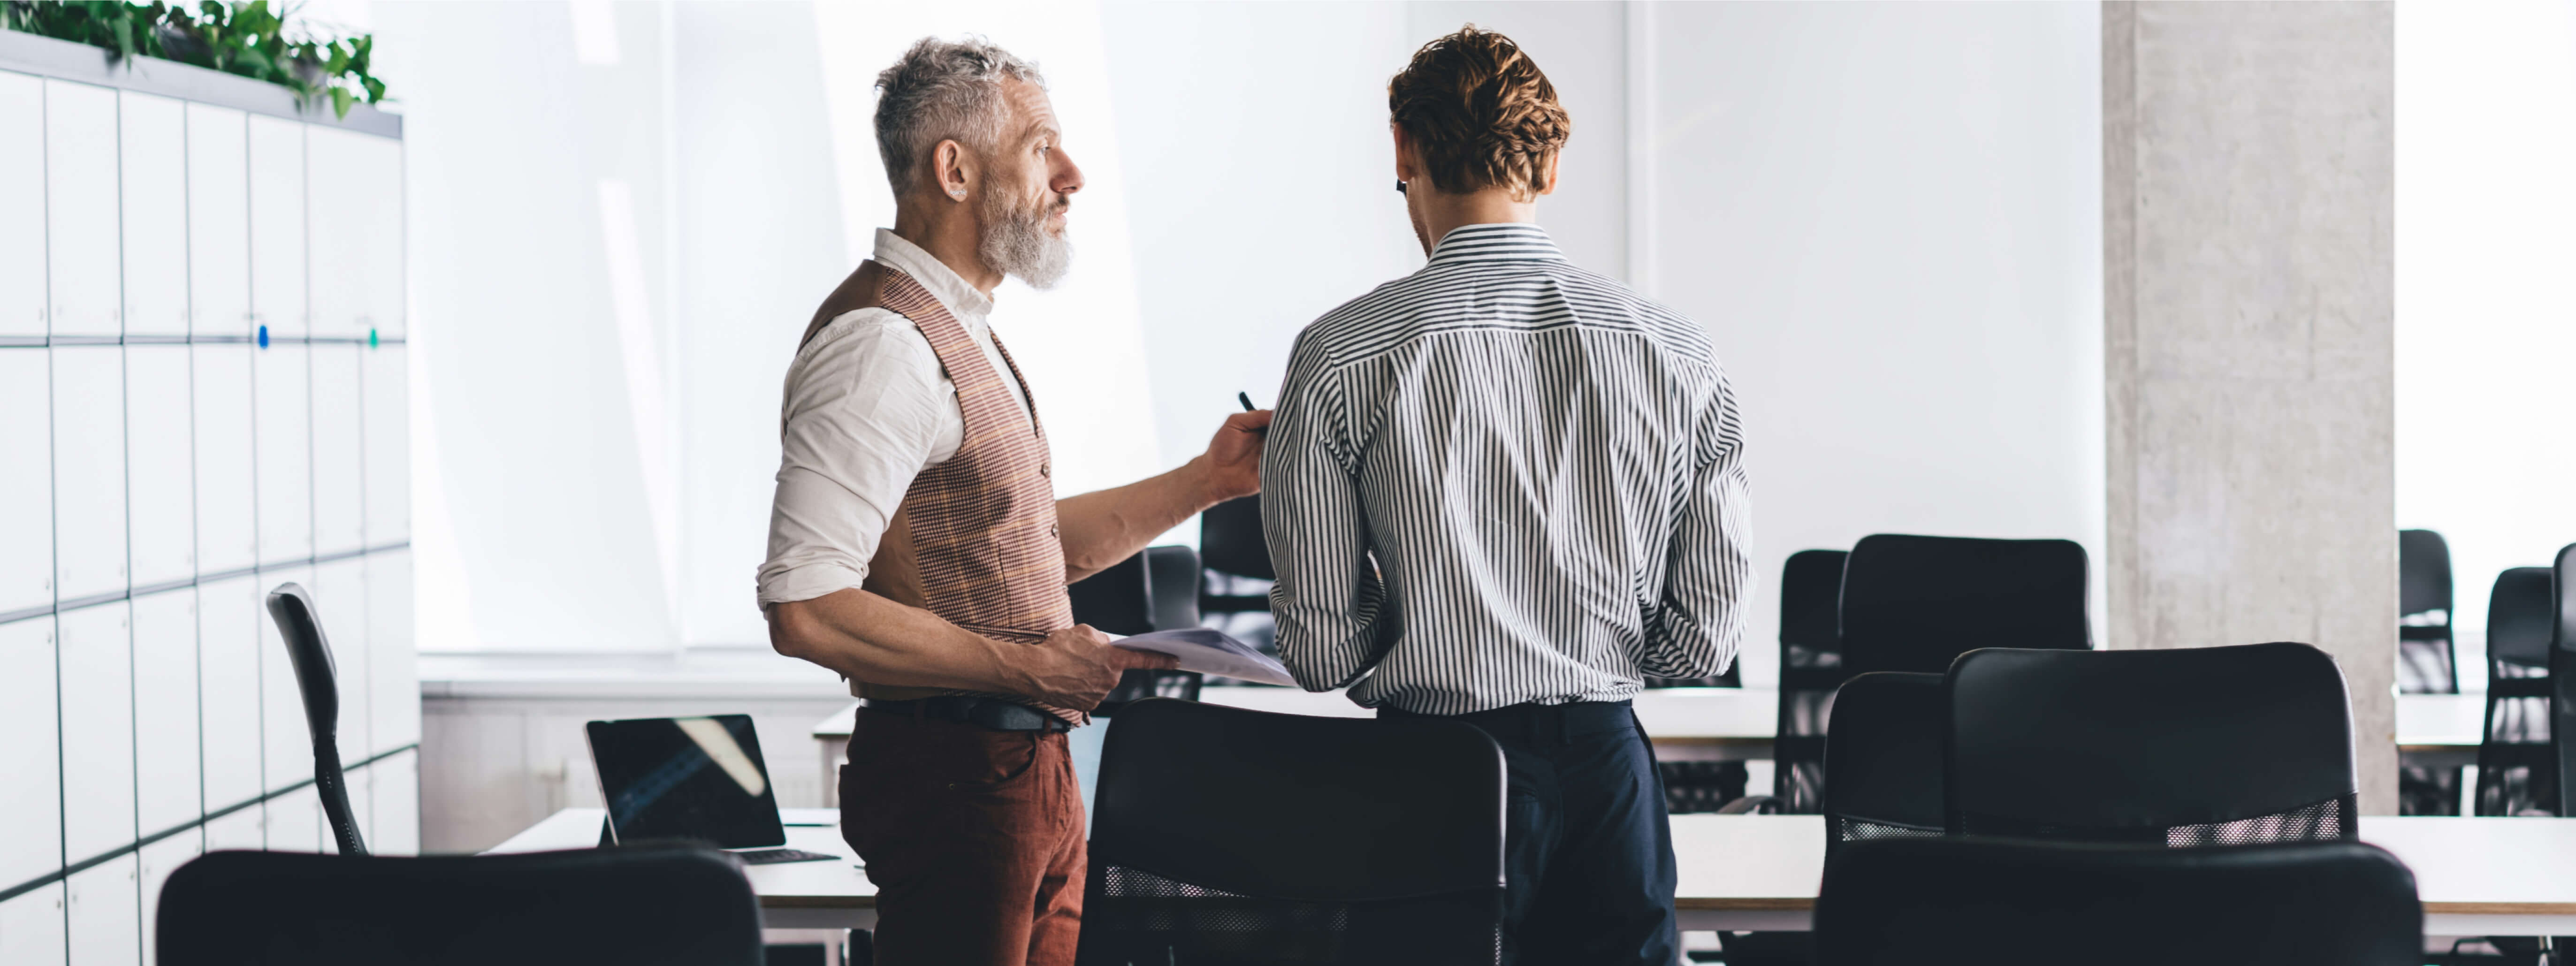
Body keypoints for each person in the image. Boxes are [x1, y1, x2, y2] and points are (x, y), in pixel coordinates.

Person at [756, 36, 1269, 966]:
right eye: (1043, 146)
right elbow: (805, 605)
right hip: (959, 781)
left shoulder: (956, 330)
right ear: (954, 168)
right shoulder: (882, 344)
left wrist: (1209, 481)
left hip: (1023, 779)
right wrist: (1025, 669)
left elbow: (1019, 546)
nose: (1070, 174)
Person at [1263, 25, 1752, 965]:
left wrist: (1409, 617)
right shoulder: (1678, 352)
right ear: (1553, 164)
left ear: (1403, 151)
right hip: (1607, 773)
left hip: (1422, 782)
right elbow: (1706, 640)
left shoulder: (1338, 356)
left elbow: (1323, 653)